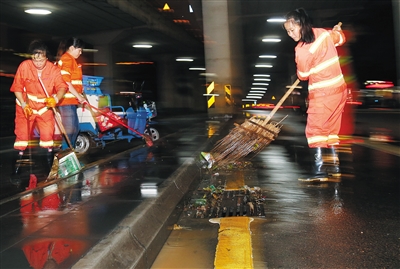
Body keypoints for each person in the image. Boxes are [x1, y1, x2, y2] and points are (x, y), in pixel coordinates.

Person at [283, 8, 347, 182]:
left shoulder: (302, 50)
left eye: (292, 29)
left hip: (323, 94)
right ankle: (334, 167)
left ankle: (319, 172)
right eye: (287, 31)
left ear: (301, 25)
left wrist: (302, 70)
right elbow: (340, 39)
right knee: (331, 130)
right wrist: (337, 32)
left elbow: (303, 76)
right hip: (340, 90)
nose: (290, 34)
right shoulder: (324, 34)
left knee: (315, 131)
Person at [10, 39, 67, 178]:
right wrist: (23, 104)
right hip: (26, 106)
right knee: (22, 137)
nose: (38, 64)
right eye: (35, 60)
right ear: (31, 58)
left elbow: (62, 87)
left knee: (47, 136)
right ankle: (16, 169)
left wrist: (55, 99)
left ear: (46, 57)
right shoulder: (24, 66)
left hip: (44, 107)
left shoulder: (53, 70)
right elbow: (17, 87)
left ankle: (47, 167)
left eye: (41, 60)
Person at [56, 37, 87, 150]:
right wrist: (79, 96)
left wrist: (80, 96)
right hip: (66, 101)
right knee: (70, 130)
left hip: (71, 101)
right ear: (72, 48)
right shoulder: (67, 59)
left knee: (75, 129)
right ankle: (65, 156)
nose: (81, 52)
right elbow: (66, 81)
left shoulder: (72, 60)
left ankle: (70, 153)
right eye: (79, 49)